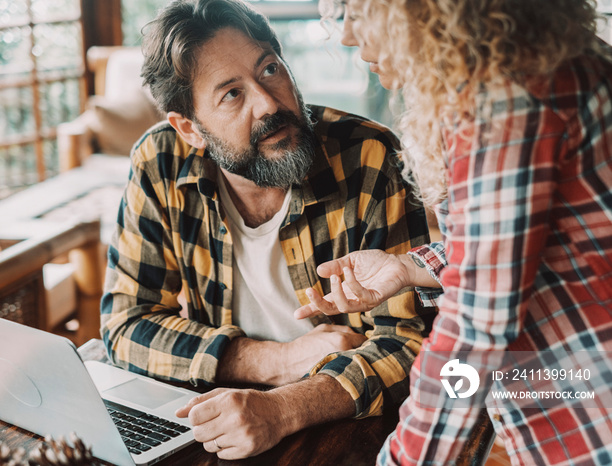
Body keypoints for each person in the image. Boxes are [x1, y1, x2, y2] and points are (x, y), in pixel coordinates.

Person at [100, 0, 435, 459]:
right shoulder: (160, 162)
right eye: (232, 94)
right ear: (189, 128)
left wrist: (283, 408)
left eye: (271, 70)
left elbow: (409, 344)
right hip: (223, 420)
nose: (269, 103)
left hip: (348, 426)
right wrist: (276, 361)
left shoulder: (369, 155)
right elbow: (125, 326)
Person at [297, 0, 612, 464]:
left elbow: (476, 324)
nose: (345, 35)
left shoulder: (504, 102)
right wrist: (407, 266)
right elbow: (535, 246)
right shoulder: (552, 62)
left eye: (357, 11)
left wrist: (402, 460)